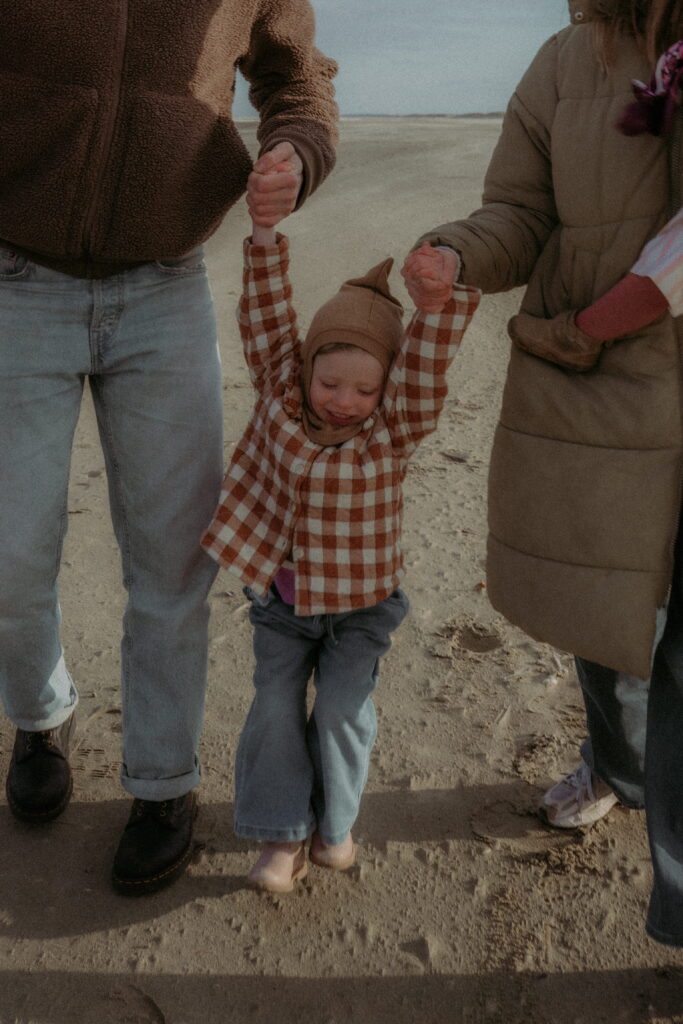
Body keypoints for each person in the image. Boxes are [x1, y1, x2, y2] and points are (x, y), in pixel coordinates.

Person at [0, 1, 338, 897]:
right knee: (10, 554)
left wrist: (295, 154)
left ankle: (163, 783)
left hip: (165, 291)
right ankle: (39, 718)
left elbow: (296, 78)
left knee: (172, 562)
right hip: (14, 281)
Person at [404, 0, 683, 947]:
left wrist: (601, 318)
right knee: (599, 613)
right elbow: (520, 210)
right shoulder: (565, 57)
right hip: (594, 391)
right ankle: (614, 764)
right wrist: (455, 252)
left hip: (613, 340)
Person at [200, 166, 480, 892]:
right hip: (283, 607)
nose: (346, 400)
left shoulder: (393, 428)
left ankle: (335, 824)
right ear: (303, 369)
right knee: (272, 711)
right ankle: (278, 835)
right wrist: (263, 231)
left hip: (360, 611)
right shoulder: (280, 396)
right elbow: (265, 312)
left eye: (365, 388)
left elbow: (424, 366)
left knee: (341, 716)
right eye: (330, 383)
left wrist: (436, 304)